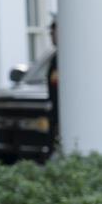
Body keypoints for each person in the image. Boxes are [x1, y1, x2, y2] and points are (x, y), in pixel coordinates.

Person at [46, 19, 60, 155]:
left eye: (53, 32)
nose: (51, 36)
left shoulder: (67, 58)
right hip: (54, 116)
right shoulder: (55, 57)